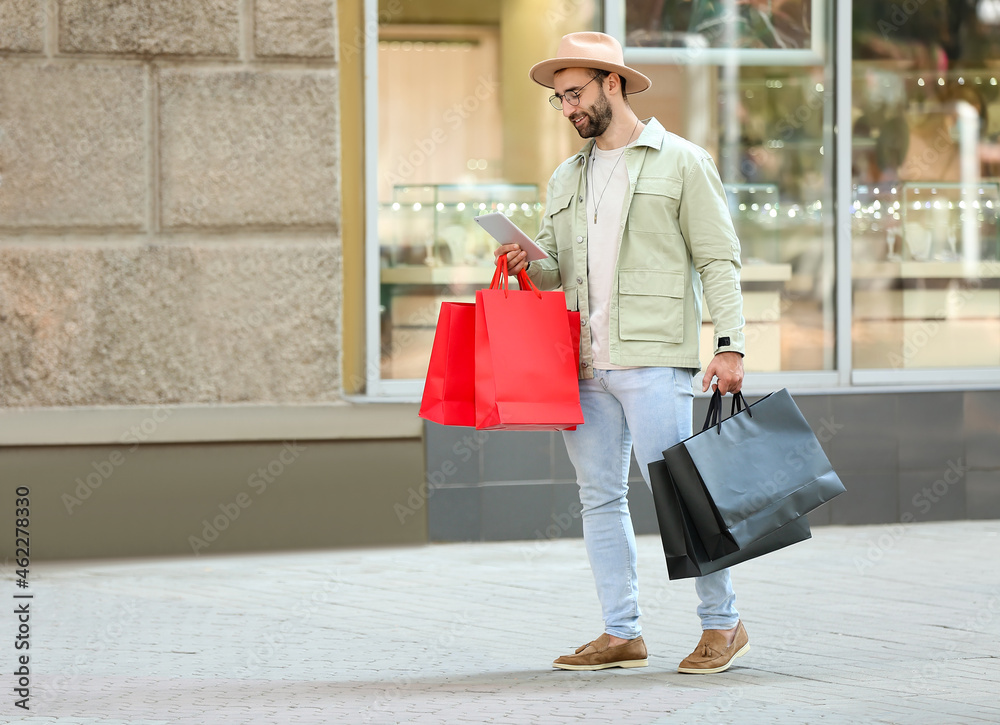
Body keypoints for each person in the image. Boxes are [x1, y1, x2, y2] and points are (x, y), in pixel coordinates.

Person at [494, 32, 749, 674]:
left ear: (613, 82)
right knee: (599, 497)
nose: (568, 108)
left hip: (655, 357)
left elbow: (718, 258)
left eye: (574, 93)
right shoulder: (565, 176)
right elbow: (556, 274)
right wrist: (528, 262)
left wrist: (729, 344)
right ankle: (621, 631)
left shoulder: (681, 162)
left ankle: (723, 623)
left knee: (680, 490)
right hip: (583, 363)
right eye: (559, 100)